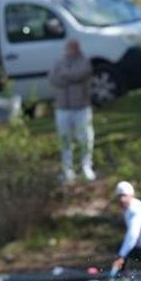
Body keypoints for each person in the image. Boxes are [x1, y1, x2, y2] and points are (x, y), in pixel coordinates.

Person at [48, 39, 95, 182]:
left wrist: (66, 75)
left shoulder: (84, 61)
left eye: (72, 48)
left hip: (81, 107)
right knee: (65, 139)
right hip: (62, 108)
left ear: (77, 49)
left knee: (85, 138)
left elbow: (80, 74)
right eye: (67, 48)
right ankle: (67, 169)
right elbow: (53, 78)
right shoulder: (59, 62)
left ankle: (86, 166)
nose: (69, 50)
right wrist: (69, 76)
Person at [109, 181, 141, 277]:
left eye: (124, 196)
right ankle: (119, 275)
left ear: (131, 195)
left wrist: (121, 256)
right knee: (120, 248)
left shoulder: (135, 209)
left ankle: (122, 276)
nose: (122, 199)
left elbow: (132, 236)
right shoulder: (128, 209)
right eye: (119, 196)